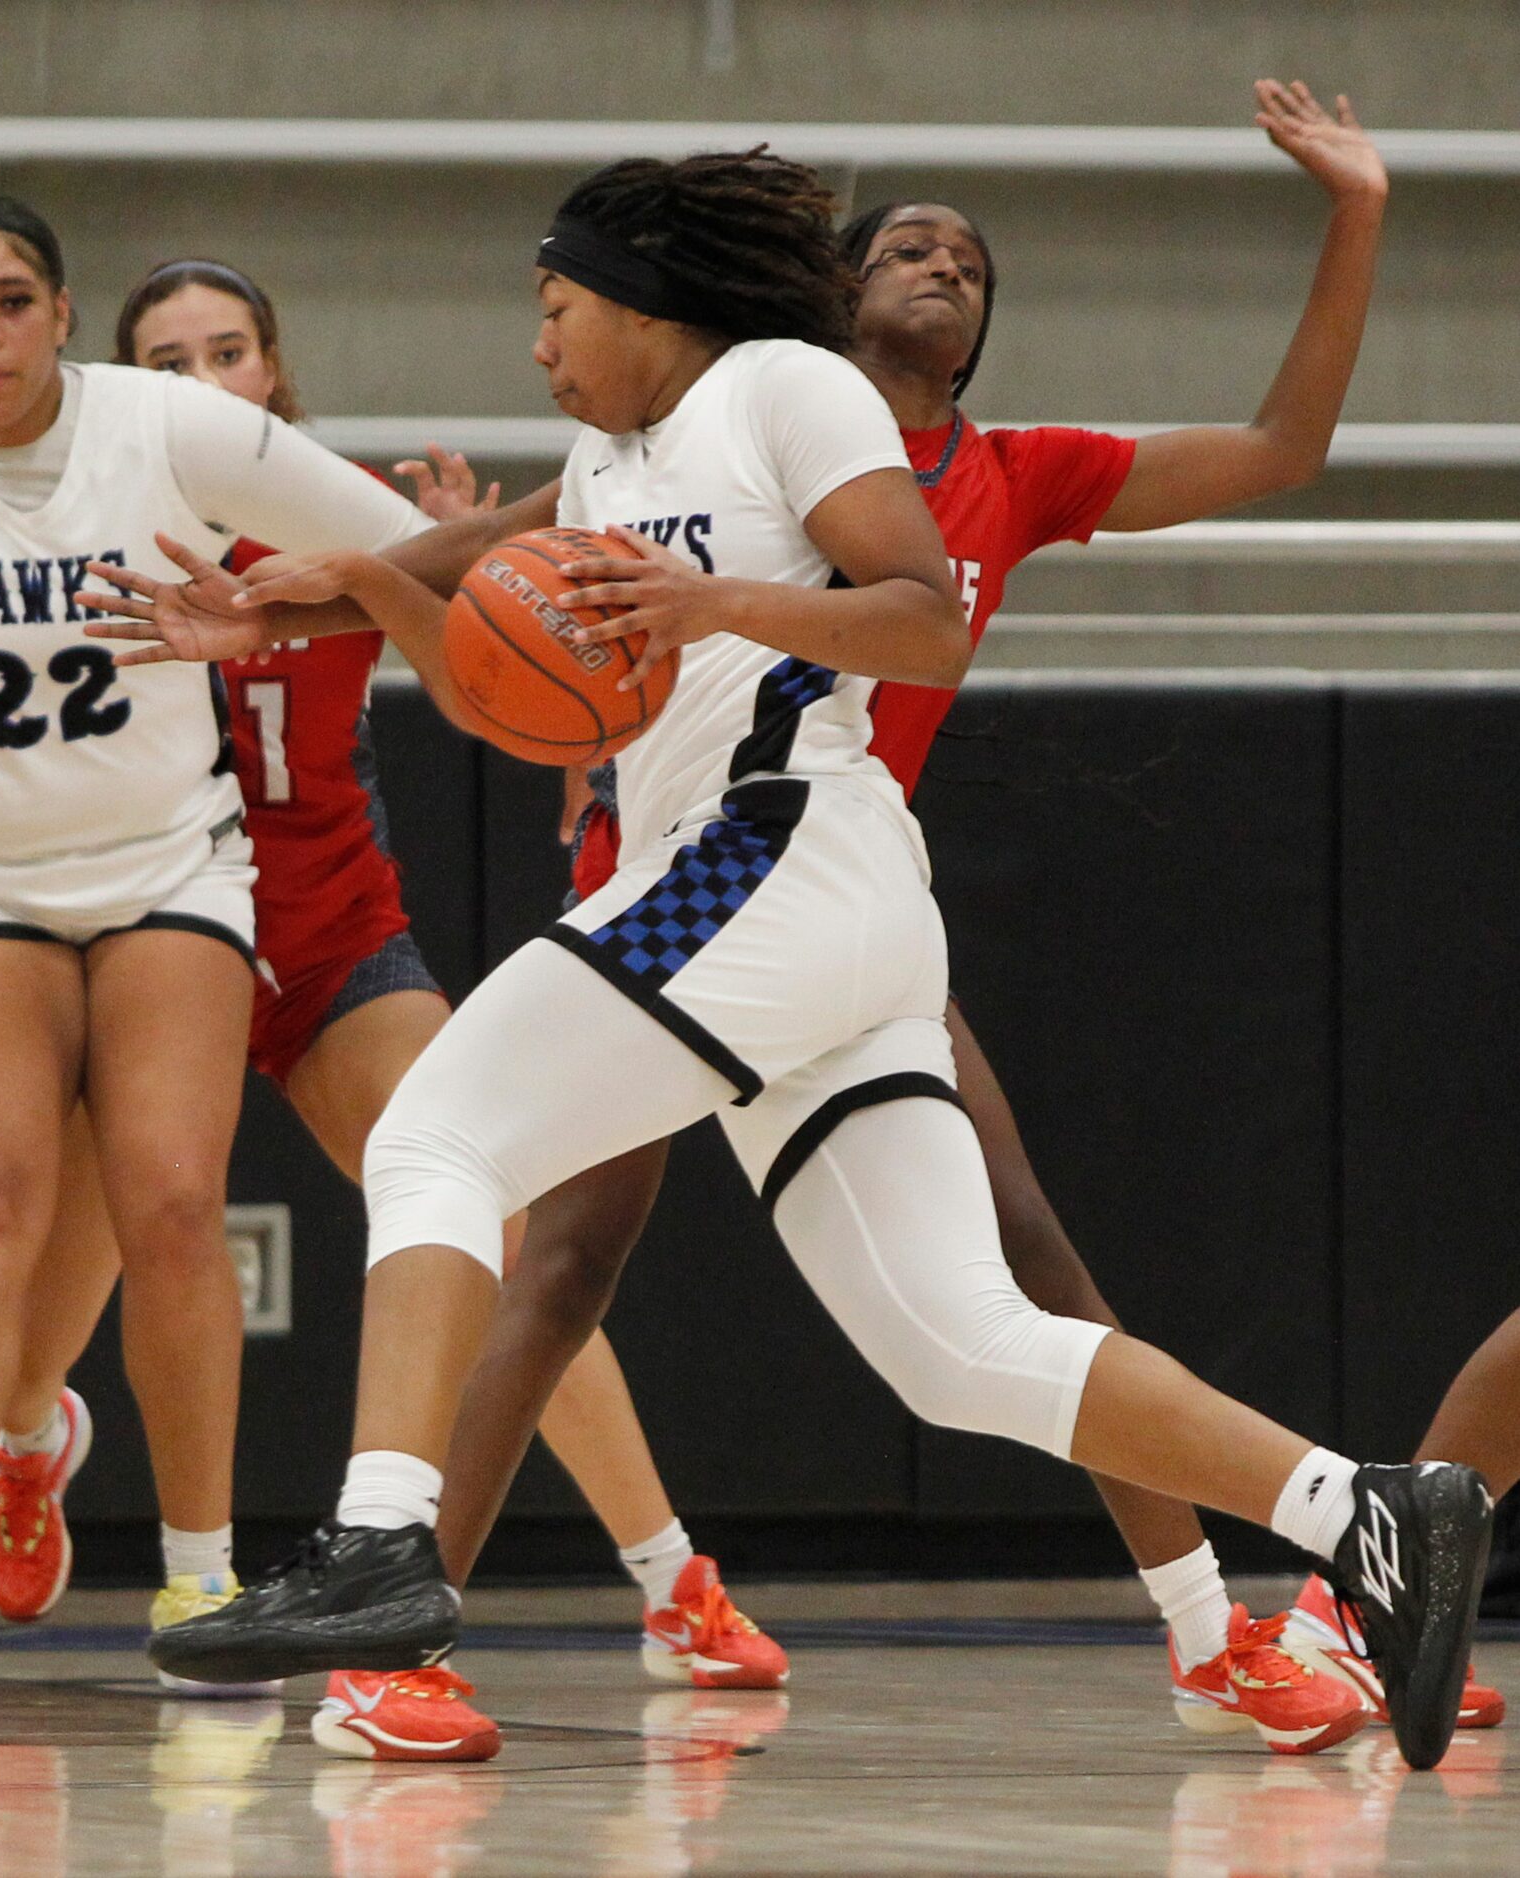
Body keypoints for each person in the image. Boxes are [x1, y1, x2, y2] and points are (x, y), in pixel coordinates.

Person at [92, 146, 1491, 1773]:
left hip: (781, 848)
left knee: (433, 1135)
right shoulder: (612, 448)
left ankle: (385, 1539)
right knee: (958, 1338)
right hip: (811, 919)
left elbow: (923, 616)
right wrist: (282, 613)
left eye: (554, 309)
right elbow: (472, 595)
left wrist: (716, 605)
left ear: (639, 300)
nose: (537, 345)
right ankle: (1373, 1511)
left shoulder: (785, 388)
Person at [507, 77, 1501, 1750]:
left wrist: (1357, 212)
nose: (941, 260)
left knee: (1009, 1258)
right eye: (903, 239)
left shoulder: (1009, 474)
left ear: (974, 342)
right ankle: (412, 1612)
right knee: (551, 1247)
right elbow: (492, 552)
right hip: (665, 876)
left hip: (830, 883)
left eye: (967, 256)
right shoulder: (731, 417)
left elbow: (1282, 450)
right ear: (828, 297)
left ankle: (1215, 1626)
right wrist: (326, 578)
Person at [0, 255, 783, 1748]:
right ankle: (30, 1437)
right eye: (169, 356)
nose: (204, 378)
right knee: (89, 1255)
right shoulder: (68, 518)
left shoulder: (340, 509)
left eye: (230, 349)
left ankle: (670, 1574)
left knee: (477, 1222)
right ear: (122, 379)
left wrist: (570, 744)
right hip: (160, 940)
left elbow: (523, 625)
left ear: (273, 371)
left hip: (335, 932)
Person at [0, 192, 498, 1708]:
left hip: (171, 860)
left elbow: (414, 551)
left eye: (13, 300)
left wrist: (297, 592)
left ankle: (197, 1575)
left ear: (58, 314)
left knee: (172, 1199)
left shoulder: (167, 426)